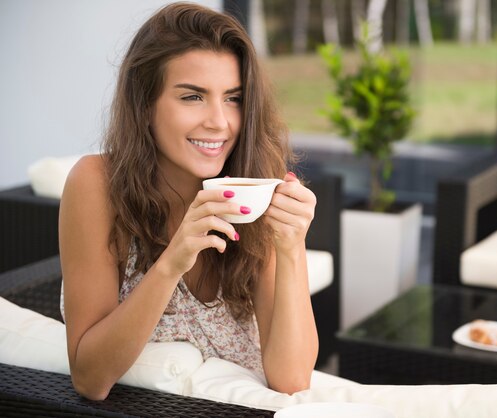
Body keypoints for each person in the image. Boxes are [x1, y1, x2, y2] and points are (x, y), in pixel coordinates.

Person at [58, 2, 318, 400]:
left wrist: (291, 245)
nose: (219, 121)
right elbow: (90, 378)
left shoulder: (253, 190)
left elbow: (293, 379)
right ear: (145, 105)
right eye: (193, 97)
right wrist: (171, 264)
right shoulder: (97, 184)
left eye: (233, 98)